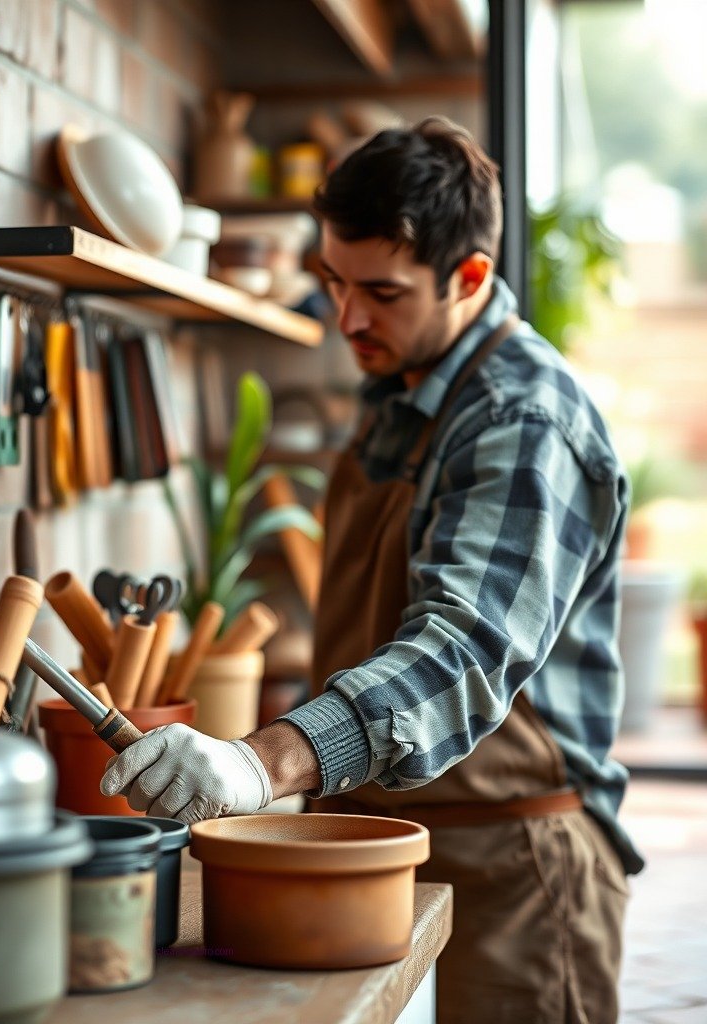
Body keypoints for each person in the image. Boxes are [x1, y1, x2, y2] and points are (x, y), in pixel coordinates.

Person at [101, 116, 642, 1024]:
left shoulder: (522, 420)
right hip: (387, 845)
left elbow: (461, 647)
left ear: (469, 277)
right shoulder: (400, 387)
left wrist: (264, 762)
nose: (347, 319)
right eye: (334, 282)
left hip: (515, 870)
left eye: (381, 292)